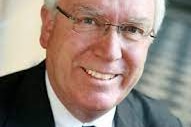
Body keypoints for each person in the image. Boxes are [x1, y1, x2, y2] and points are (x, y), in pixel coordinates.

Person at [0, 0, 182, 127]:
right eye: (89, 21)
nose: (110, 52)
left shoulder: (163, 123)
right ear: (48, 27)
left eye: (132, 29)